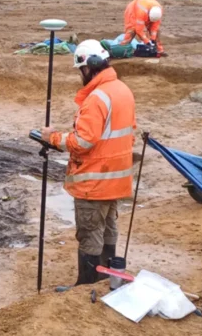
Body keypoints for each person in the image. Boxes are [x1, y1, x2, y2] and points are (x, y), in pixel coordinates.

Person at [41, 40, 137, 288]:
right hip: (115, 179)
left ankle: (85, 287)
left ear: (90, 66)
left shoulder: (97, 97)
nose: (80, 75)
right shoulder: (121, 90)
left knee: (90, 233)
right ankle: (106, 281)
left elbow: (84, 141)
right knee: (107, 228)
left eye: (80, 70)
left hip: (94, 181)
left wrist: (52, 138)